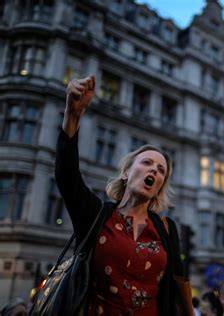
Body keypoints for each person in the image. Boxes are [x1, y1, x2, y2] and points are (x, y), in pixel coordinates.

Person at [55, 75, 193, 315]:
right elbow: (67, 174)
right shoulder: (96, 215)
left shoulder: (167, 228)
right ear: (127, 173)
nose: (154, 170)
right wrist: (73, 115)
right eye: (147, 162)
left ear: (159, 185)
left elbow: (176, 289)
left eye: (161, 170)